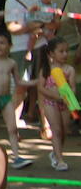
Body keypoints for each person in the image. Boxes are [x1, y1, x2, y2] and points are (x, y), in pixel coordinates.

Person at [0, 25, 30, 169]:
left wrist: (34, 82)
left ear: (9, 45)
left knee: (13, 128)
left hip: (6, 98)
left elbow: (18, 81)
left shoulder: (11, 63)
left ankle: (16, 156)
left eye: (2, 43)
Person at [35, 37, 74, 171]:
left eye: (66, 51)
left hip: (65, 103)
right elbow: (41, 87)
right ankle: (59, 159)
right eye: (61, 51)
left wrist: (68, 97)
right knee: (56, 130)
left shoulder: (69, 70)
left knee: (63, 131)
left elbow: (73, 87)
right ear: (51, 53)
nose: (65, 54)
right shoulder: (46, 69)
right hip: (50, 103)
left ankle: (55, 152)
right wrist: (54, 96)